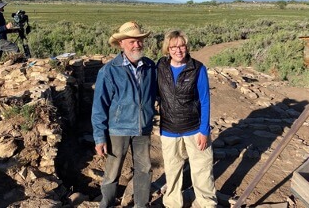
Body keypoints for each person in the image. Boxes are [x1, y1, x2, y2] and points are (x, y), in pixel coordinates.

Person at [91, 21, 157, 208]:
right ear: (121, 44)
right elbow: (99, 106)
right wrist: (99, 137)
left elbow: (156, 93)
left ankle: (141, 205)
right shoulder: (109, 70)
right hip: (118, 129)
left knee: (144, 170)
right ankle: (107, 204)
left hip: (142, 127)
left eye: (139, 41)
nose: (137, 45)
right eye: (131, 41)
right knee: (112, 171)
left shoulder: (150, 67)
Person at [157, 30, 217, 208]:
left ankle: (207, 203)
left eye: (182, 45)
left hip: (194, 129)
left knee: (202, 169)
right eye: (173, 46)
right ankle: (173, 203)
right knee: (172, 170)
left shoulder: (197, 68)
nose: (178, 50)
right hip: (169, 130)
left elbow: (205, 101)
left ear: (187, 47)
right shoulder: (160, 66)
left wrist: (204, 131)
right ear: (167, 48)